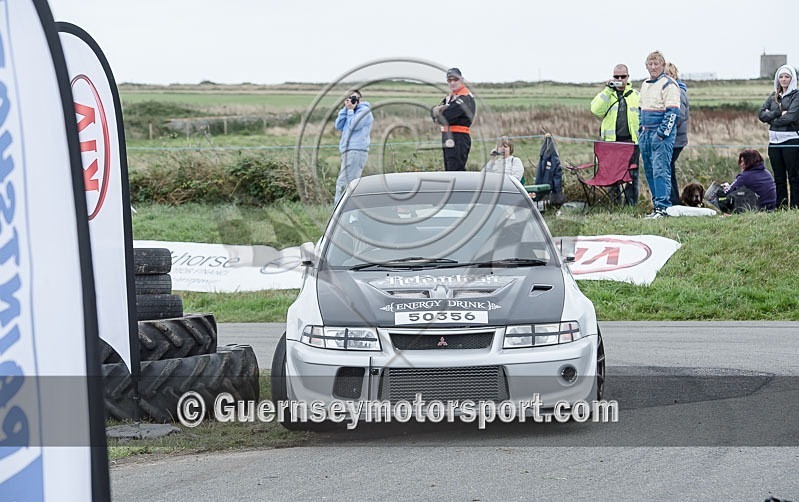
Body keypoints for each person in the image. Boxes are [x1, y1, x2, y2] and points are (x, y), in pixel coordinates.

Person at [590, 63, 640, 206]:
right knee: (612, 176)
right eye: (616, 77)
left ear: (628, 77)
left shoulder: (636, 96)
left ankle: (631, 206)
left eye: (622, 76)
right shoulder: (607, 94)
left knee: (632, 177)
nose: (619, 79)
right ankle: (614, 205)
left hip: (632, 143)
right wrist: (607, 90)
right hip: (611, 143)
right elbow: (595, 110)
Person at [638, 50, 681, 219]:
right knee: (649, 170)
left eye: (656, 64)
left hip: (660, 134)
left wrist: (661, 134)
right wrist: (641, 129)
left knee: (660, 171)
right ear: (646, 66)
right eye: (650, 64)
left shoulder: (669, 84)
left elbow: (672, 113)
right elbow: (640, 108)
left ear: (663, 65)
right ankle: (656, 206)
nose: (653, 67)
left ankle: (664, 207)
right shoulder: (645, 84)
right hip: (645, 133)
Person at [758, 64, 799, 209]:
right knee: (779, 177)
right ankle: (781, 207)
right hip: (774, 142)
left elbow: (791, 117)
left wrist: (771, 119)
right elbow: (761, 114)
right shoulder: (773, 96)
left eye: (787, 76)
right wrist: (777, 114)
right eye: (781, 77)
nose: (784, 79)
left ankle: (795, 207)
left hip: (790, 140)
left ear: (792, 79)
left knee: (794, 176)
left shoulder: (796, 95)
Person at [334, 89, 374, 205]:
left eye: (353, 98)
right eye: (348, 98)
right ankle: (347, 211)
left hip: (356, 151)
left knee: (344, 184)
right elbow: (338, 125)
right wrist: (345, 109)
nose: (351, 100)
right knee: (348, 184)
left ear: (359, 100)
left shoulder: (364, 111)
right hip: (347, 151)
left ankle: (340, 211)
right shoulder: (349, 111)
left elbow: (354, 126)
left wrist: (351, 110)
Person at [431, 68, 476, 171]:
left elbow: (447, 116)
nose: (452, 83)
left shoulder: (465, 97)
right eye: (449, 80)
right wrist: (438, 112)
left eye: (455, 79)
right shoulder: (450, 97)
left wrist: (439, 113)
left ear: (462, 80)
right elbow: (433, 112)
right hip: (447, 136)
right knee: (449, 170)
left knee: (456, 170)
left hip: (458, 137)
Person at [665, 62, 689, 206]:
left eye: (668, 75)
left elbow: (679, 116)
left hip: (675, 140)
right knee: (669, 169)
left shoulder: (677, 92)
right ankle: (673, 201)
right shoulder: (672, 90)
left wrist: (664, 129)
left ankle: (672, 201)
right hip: (675, 139)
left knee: (666, 169)